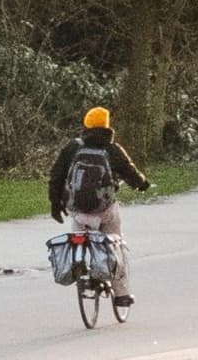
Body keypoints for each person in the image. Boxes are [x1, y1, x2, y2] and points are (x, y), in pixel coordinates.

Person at [46, 106, 154, 312]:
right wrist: (142, 184)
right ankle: (121, 294)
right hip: (105, 210)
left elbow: (57, 176)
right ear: (107, 126)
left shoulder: (73, 148)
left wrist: (55, 204)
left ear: (86, 124)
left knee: (78, 234)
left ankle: (81, 268)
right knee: (115, 244)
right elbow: (130, 172)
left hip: (77, 211)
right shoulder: (112, 150)